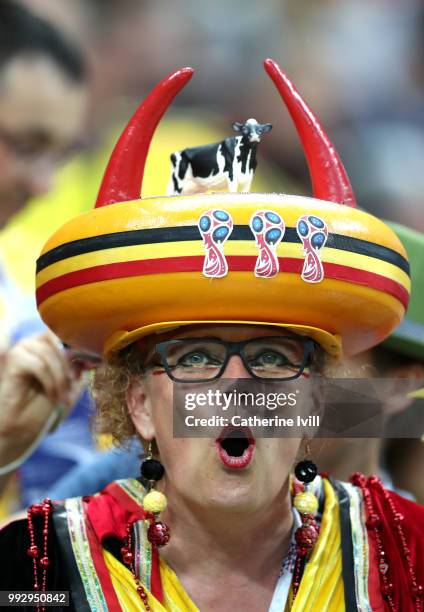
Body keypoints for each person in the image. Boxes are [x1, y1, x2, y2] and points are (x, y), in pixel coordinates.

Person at [1, 59, 423, 611]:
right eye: (196, 357)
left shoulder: (408, 550)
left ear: (315, 403)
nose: (236, 387)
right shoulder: (37, 564)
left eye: (272, 358)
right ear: (140, 405)